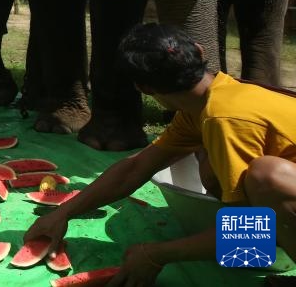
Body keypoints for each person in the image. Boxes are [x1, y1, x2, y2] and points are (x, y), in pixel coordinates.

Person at [24, 23, 296, 286]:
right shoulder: (209, 100)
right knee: (214, 169)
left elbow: (249, 232)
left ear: (143, 89)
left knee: (266, 176)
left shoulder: (223, 118)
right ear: (200, 52)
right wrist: (63, 214)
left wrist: (157, 254)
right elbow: (137, 167)